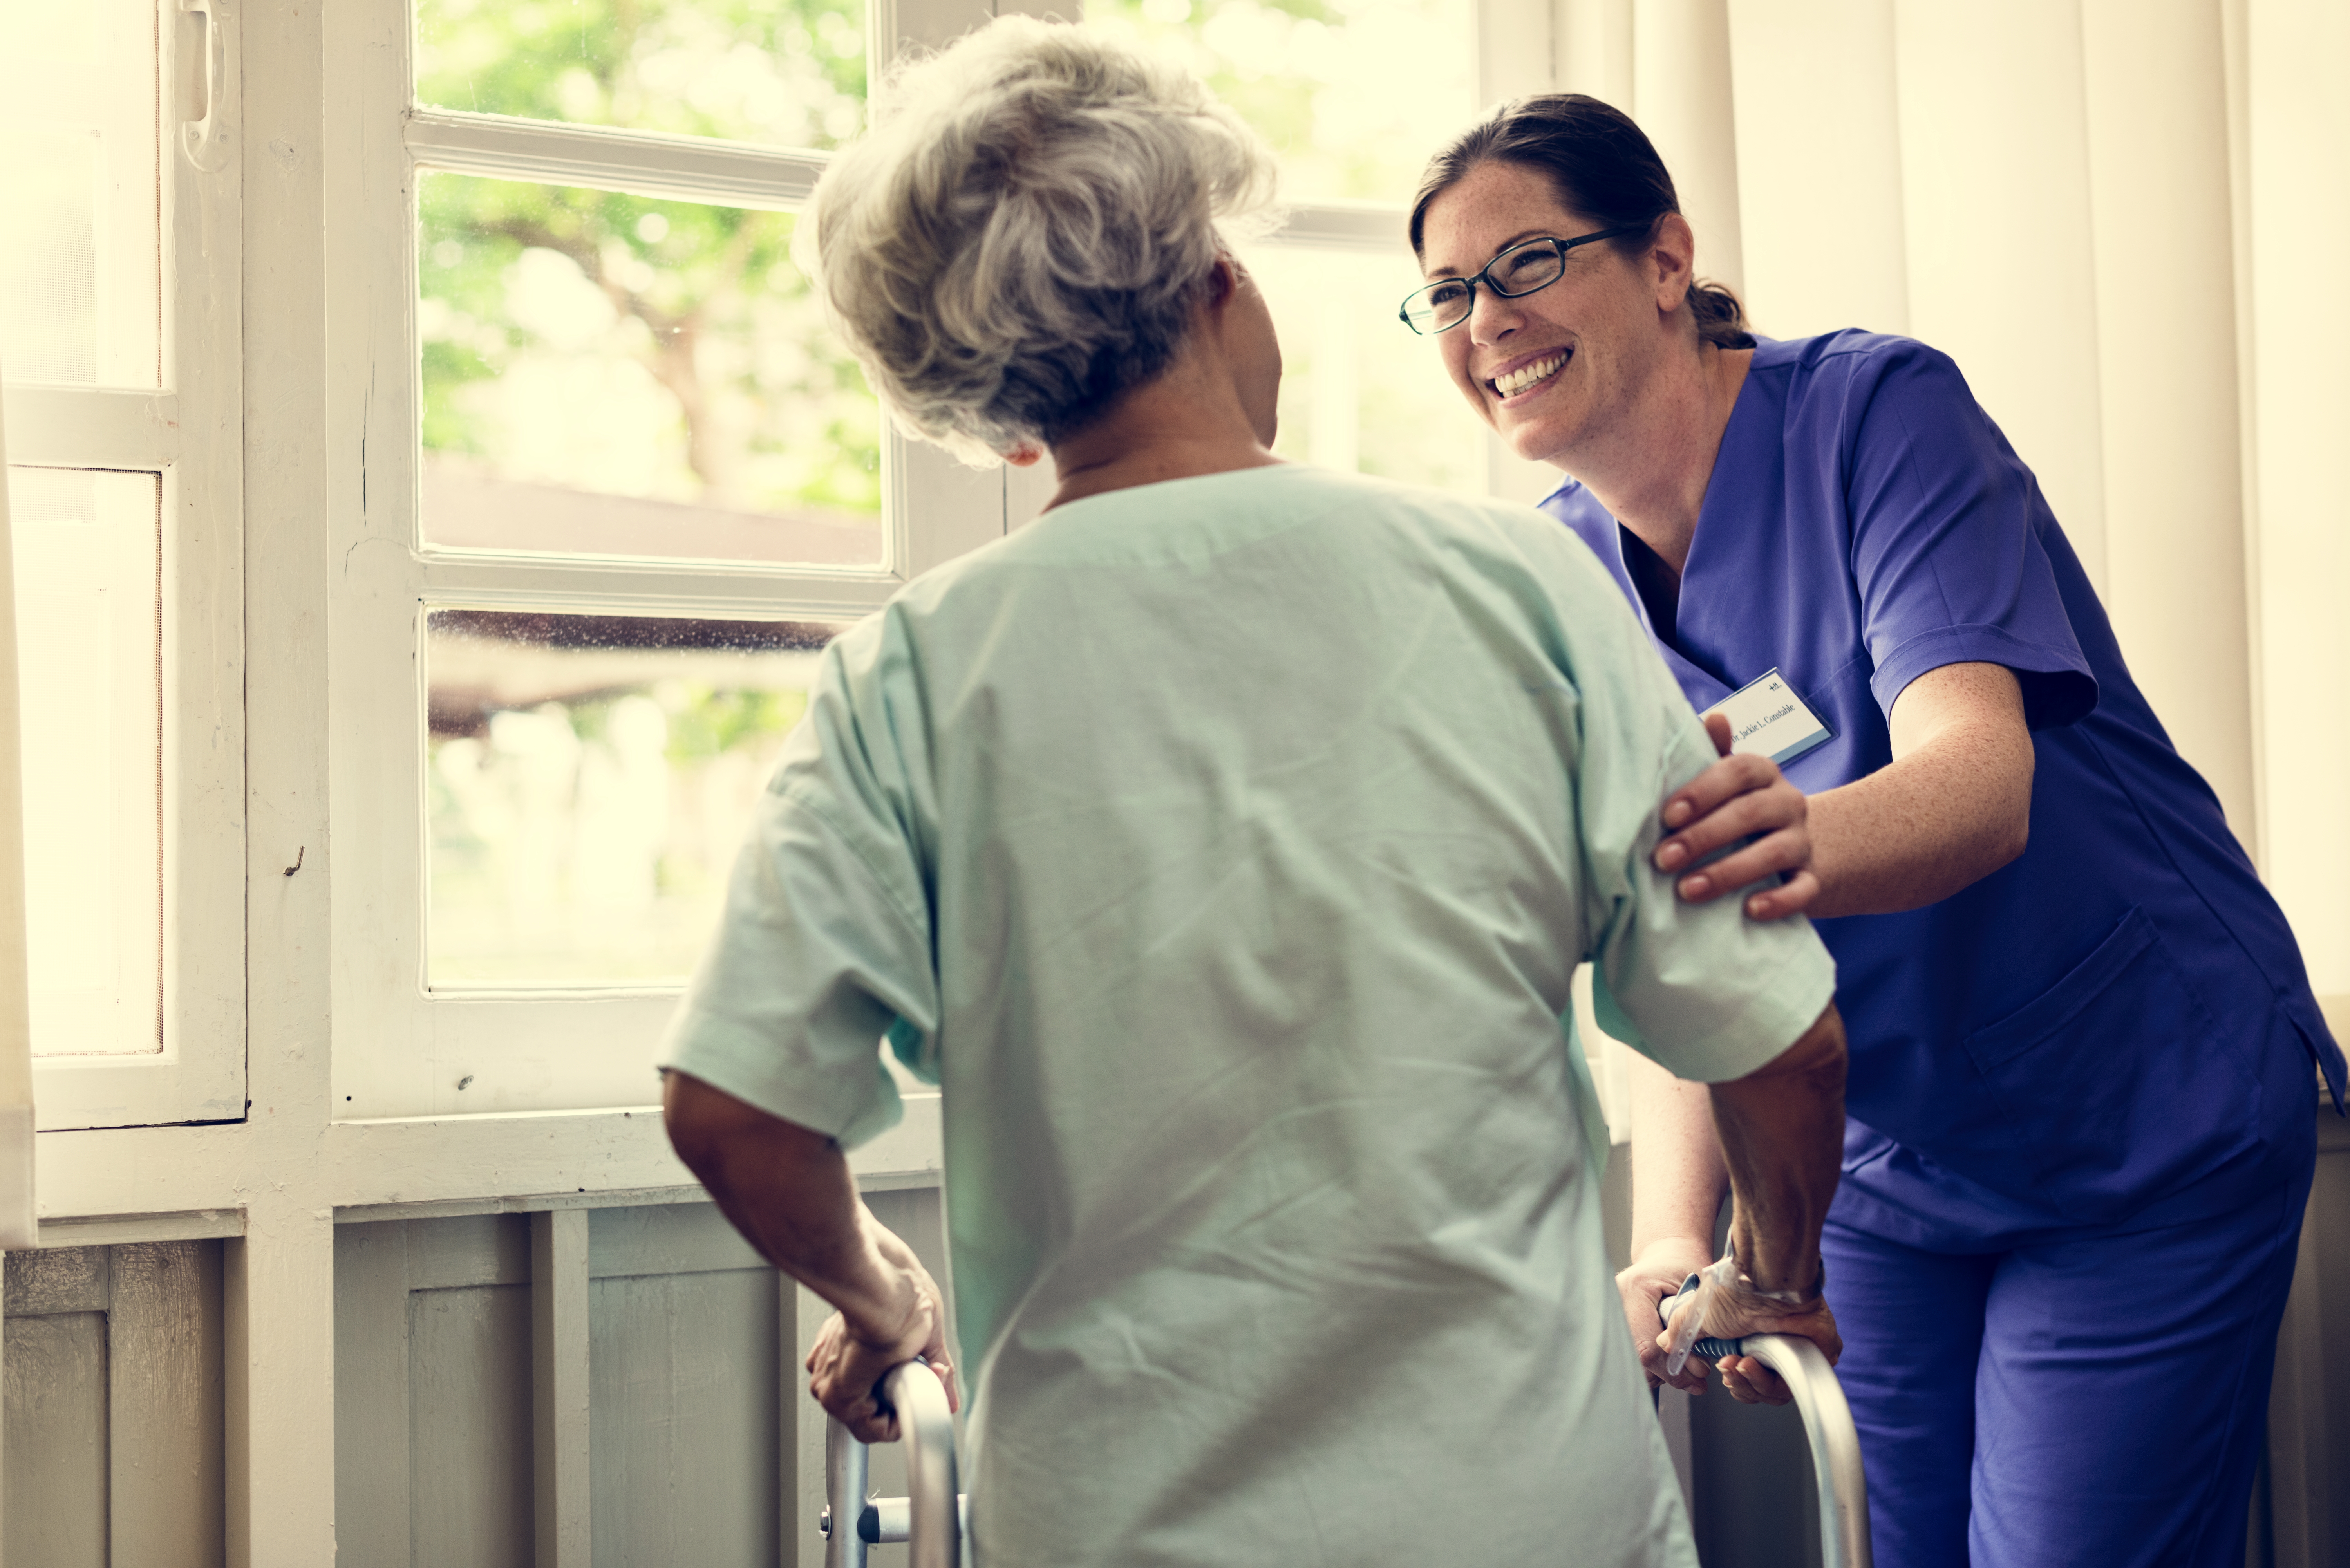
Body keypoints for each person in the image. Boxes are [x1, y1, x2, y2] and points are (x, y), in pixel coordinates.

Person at [659, 21, 1850, 1566]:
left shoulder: (912, 675)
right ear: (1216, 278)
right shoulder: (1518, 586)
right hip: (1527, 1519)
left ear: (1007, 418)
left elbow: (734, 1105)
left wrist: (885, 1299)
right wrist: (1771, 1268)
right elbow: (1780, 1042)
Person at [1404, 93, 2349, 1568]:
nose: (1484, 319)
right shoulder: (1563, 584)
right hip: (1886, 1162)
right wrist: (1670, 1234)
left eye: (1526, 262)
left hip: (2136, 1112)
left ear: (1665, 259)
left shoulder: (1873, 415)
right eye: (1448, 293)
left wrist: (1725, 863)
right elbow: (1675, 976)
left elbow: (1981, 782)